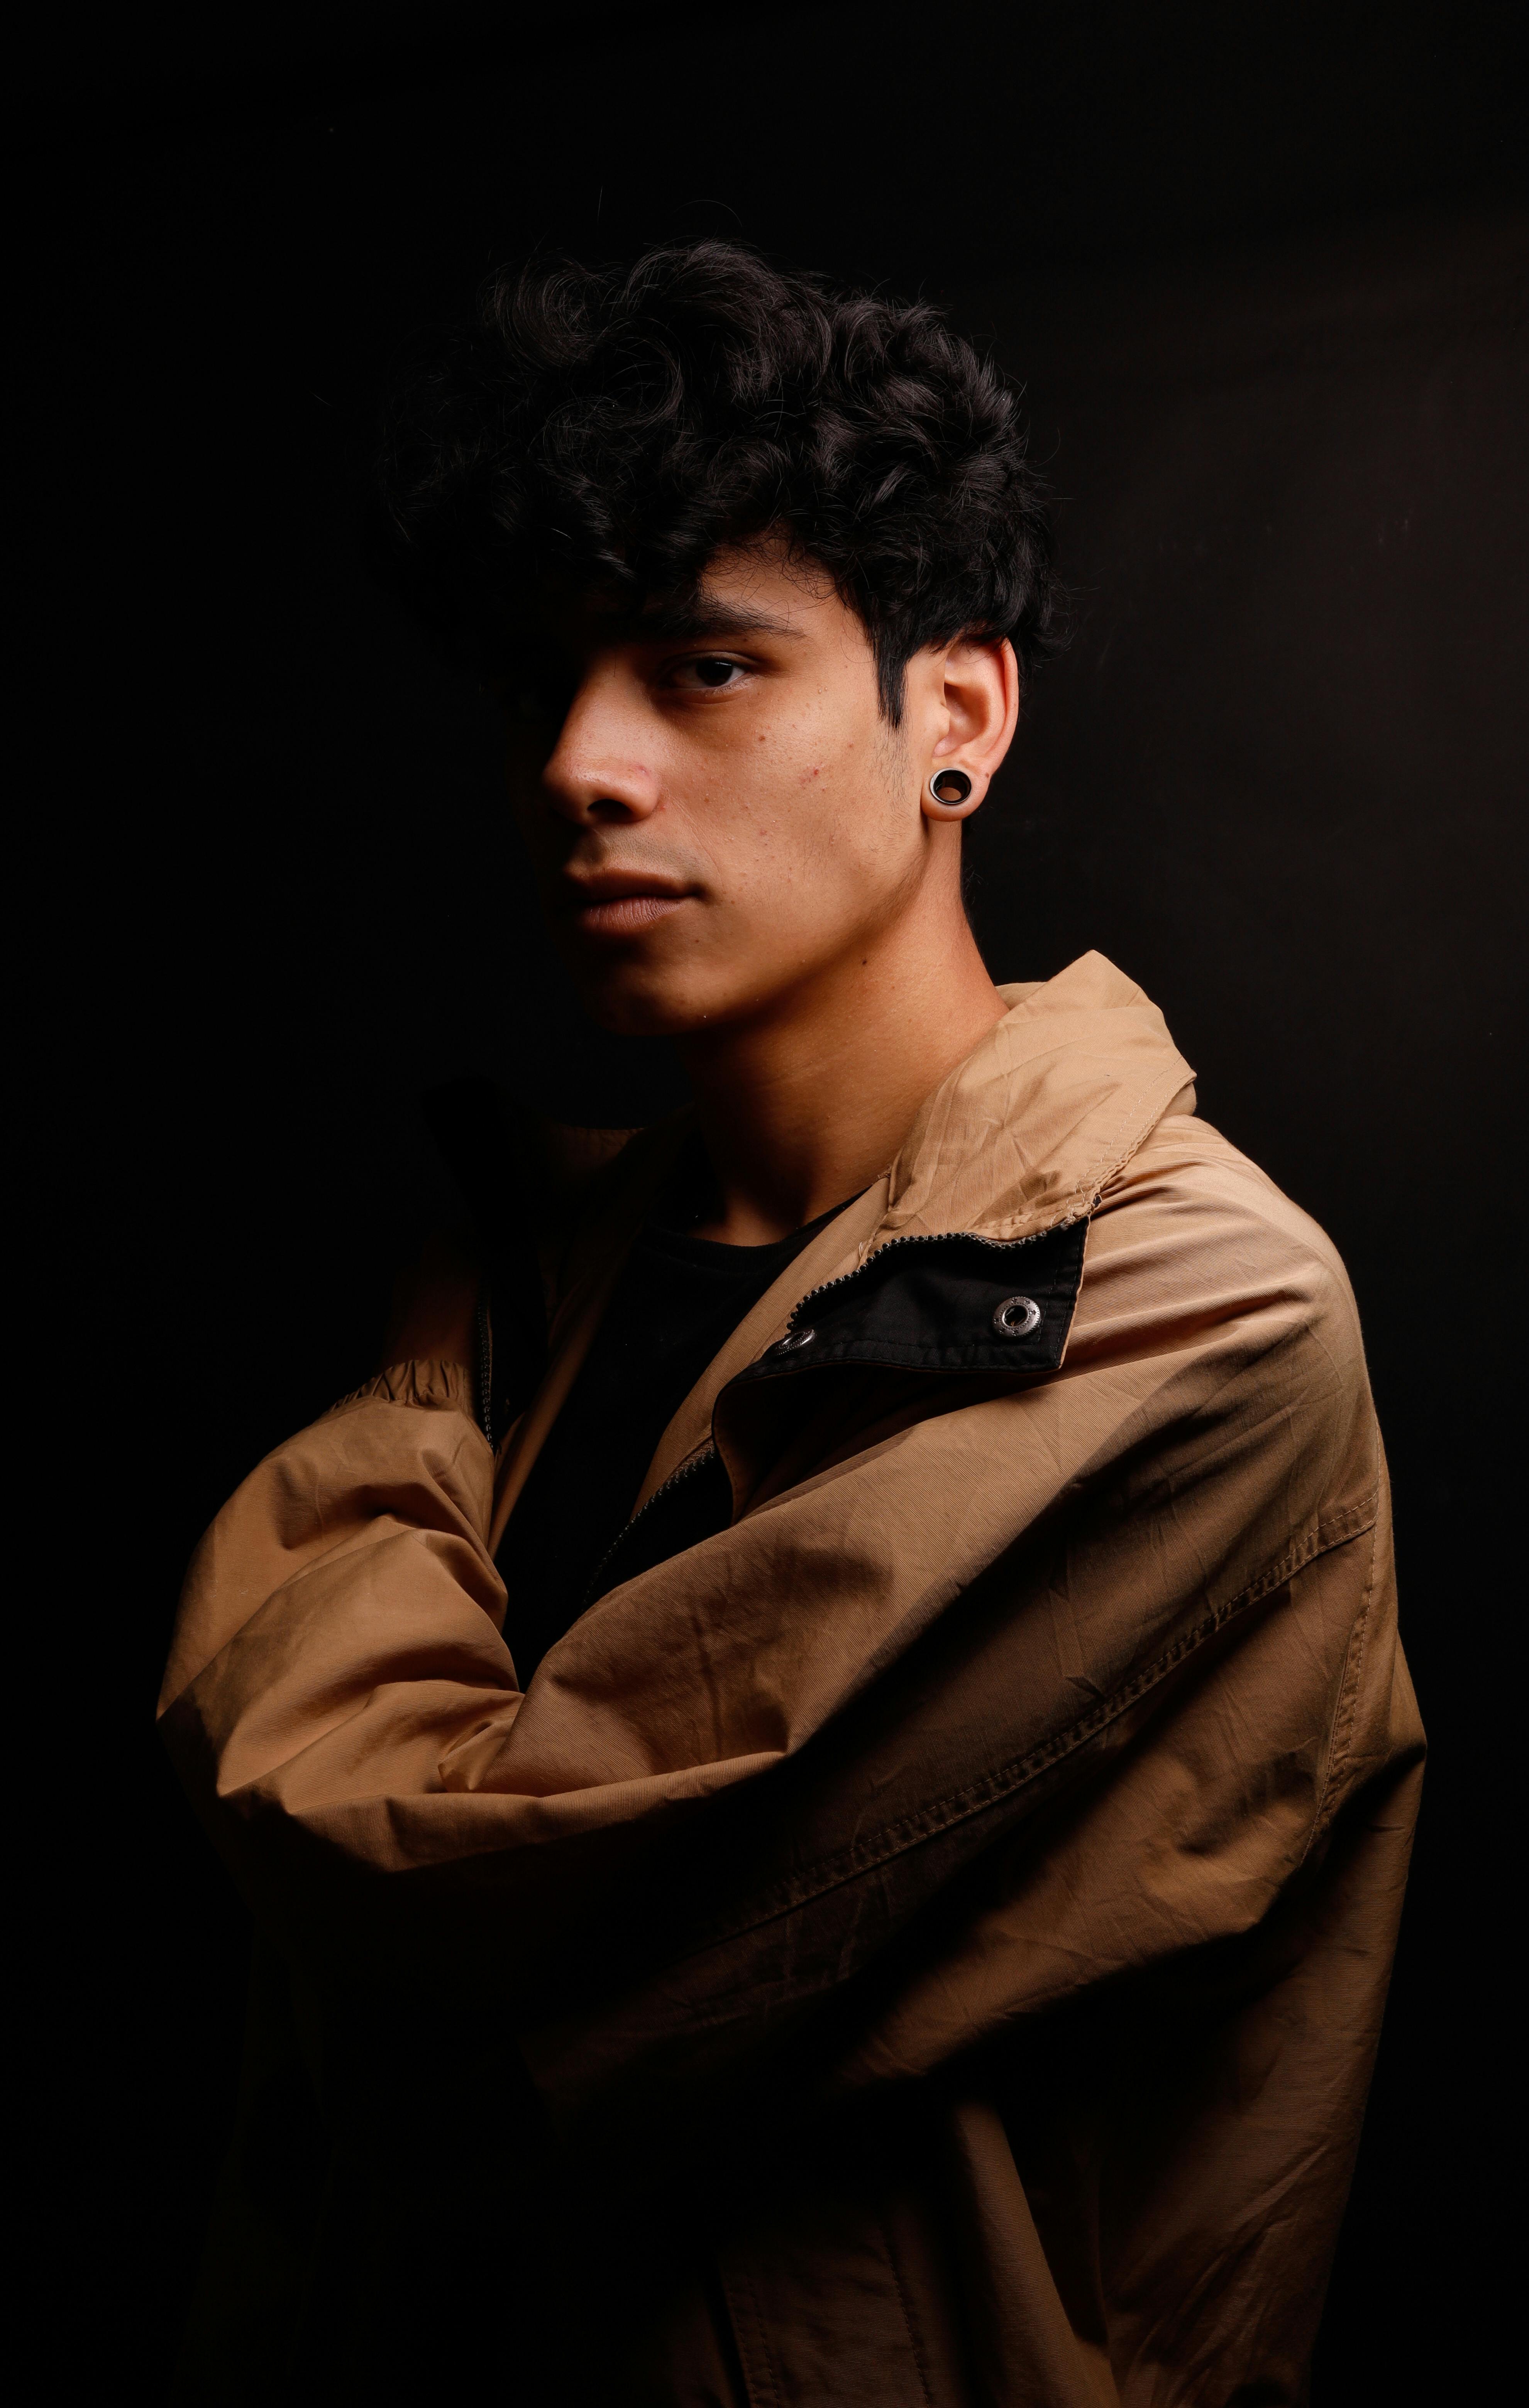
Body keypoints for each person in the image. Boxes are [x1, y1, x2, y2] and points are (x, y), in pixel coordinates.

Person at [162, 244, 1424, 2406]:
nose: (581, 763)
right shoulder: (545, 1274)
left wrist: (393, 1407)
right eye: (544, 686)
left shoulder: (1194, 1311)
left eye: (701, 670)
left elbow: (493, 1965)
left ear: (959, 716)